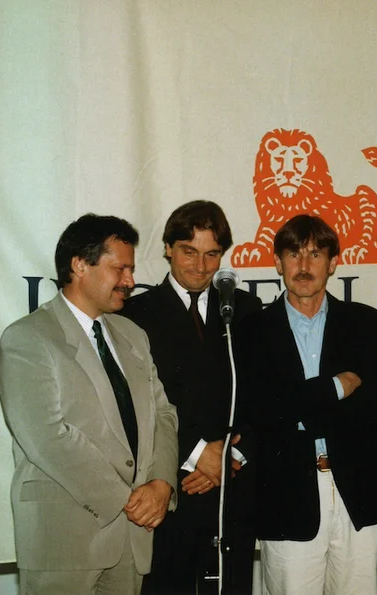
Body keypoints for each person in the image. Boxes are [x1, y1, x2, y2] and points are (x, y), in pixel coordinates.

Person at [0, 214, 179, 595]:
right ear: (79, 265)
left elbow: (163, 415)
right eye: (120, 268)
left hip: (132, 538)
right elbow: (47, 437)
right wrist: (129, 500)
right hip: (63, 541)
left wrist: (162, 484)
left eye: (131, 269)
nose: (130, 281)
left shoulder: (132, 335)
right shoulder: (27, 338)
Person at [237, 214, 377, 595]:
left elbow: (375, 411)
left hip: (359, 492)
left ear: (333, 263)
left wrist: (296, 409)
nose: (304, 266)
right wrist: (337, 388)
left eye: (315, 254)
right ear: (277, 262)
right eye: (293, 254)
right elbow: (262, 413)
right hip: (287, 496)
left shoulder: (367, 324)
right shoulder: (251, 331)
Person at [120, 201, 262, 594]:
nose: (200, 267)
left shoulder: (245, 309)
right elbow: (137, 407)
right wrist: (199, 453)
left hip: (232, 488)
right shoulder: (135, 315)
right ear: (167, 248)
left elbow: (264, 394)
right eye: (189, 251)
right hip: (172, 487)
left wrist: (233, 454)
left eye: (212, 254)